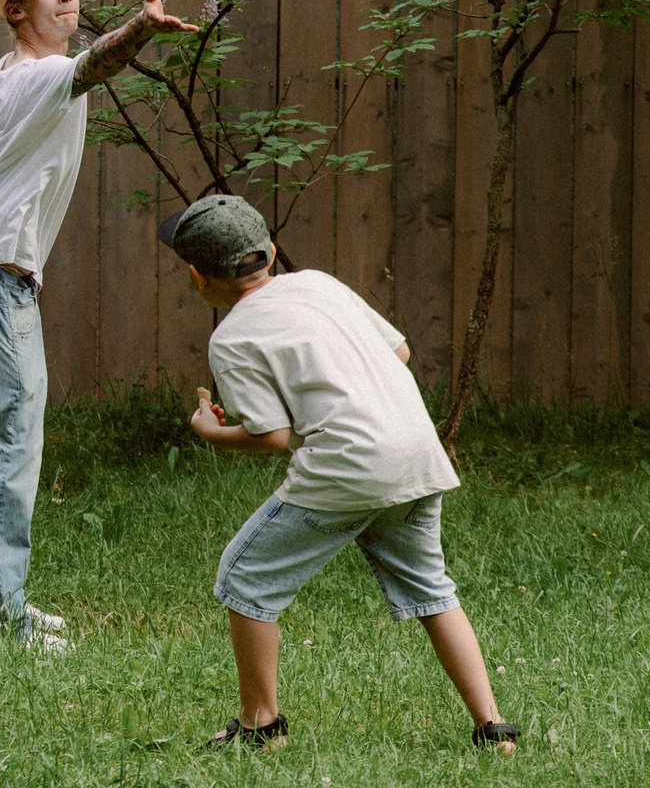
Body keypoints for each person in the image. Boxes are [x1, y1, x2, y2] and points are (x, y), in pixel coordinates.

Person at [161, 192, 519, 753]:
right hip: (416, 456)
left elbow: (271, 436)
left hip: (348, 468)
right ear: (272, 251)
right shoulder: (320, 283)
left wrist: (209, 430)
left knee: (244, 578)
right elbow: (397, 351)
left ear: (197, 277)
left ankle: (260, 728)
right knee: (431, 588)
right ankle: (492, 726)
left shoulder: (231, 337)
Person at [0, 0, 196, 650]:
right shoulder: (34, 78)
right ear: (17, 9)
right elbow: (98, 64)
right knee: (3, 453)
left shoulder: (1, 78)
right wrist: (143, 27)